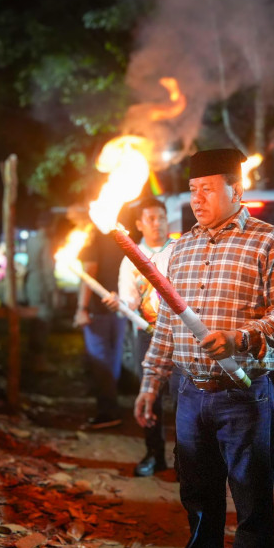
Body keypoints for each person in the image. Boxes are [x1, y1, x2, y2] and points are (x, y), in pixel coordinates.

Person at [137, 148, 274, 548]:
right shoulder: (182, 248)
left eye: (208, 188)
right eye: (193, 190)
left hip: (244, 396)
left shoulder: (270, 241)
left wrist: (238, 338)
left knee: (250, 504)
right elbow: (169, 323)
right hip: (191, 394)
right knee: (197, 498)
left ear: (237, 189)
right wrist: (151, 381)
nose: (198, 198)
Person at [104, 197, 176, 476]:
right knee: (150, 397)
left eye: (160, 217)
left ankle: (187, 458)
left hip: (181, 336)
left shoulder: (179, 250)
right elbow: (129, 304)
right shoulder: (131, 259)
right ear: (138, 224)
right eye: (150, 219)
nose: (157, 224)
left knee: (184, 398)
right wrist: (117, 303)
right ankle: (154, 454)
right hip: (148, 336)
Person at [75, 218, 127, 429]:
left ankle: (107, 411)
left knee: (100, 361)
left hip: (98, 311)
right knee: (112, 361)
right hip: (121, 308)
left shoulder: (91, 241)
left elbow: (88, 274)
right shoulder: (120, 237)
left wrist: (82, 308)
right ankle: (112, 407)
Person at [24, 212, 57, 373]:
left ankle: (32, 359)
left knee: (34, 323)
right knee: (42, 323)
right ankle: (39, 362)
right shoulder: (46, 242)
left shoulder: (31, 240)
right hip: (41, 285)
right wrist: (53, 291)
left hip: (31, 283)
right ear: (50, 225)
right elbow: (47, 269)